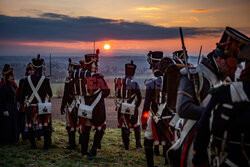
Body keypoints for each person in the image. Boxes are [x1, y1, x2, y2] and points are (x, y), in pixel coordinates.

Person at [168, 26, 250, 167]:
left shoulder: (226, 81)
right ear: (219, 58)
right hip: (194, 133)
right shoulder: (193, 76)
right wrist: (214, 115)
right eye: (230, 66)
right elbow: (183, 108)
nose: (232, 71)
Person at [192, 44, 250, 166]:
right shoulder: (199, 75)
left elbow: (203, 131)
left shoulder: (224, 92)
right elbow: (183, 109)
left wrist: (197, 161)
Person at [75, 49, 110, 156]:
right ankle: (93, 149)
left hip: (84, 107)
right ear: (93, 64)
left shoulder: (79, 76)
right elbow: (106, 92)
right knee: (101, 127)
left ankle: (84, 150)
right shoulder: (98, 77)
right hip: (97, 110)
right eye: (95, 63)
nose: (96, 65)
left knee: (85, 130)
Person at [141, 51, 172, 167]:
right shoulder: (171, 81)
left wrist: (144, 120)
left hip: (155, 116)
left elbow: (146, 105)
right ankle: (167, 162)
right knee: (169, 139)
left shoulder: (151, 82)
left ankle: (150, 165)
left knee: (147, 140)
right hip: (169, 116)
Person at [20, 54, 53, 149]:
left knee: (31, 125)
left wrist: (22, 103)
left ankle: (33, 145)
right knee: (45, 125)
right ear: (42, 67)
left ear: (33, 67)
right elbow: (50, 94)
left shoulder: (27, 79)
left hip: (30, 105)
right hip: (42, 106)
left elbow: (23, 94)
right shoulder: (45, 80)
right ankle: (46, 145)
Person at [114, 60, 142, 150]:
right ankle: (138, 144)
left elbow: (116, 95)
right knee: (136, 126)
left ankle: (126, 146)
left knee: (124, 127)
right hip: (133, 108)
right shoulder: (135, 84)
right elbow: (140, 98)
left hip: (121, 108)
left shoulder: (118, 83)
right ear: (133, 74)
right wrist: (135, 107)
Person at [60, 58, 81, 149]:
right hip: (80, 105)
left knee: (70, 125)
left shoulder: (69, 82)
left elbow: (65, 95)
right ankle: (81, 142)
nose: (68, 73)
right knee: (80, 124)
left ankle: (72, 144)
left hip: (71, 106)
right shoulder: (81, 81)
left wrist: (62, 106)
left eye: (70, 71)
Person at [0, 64, 19, 144]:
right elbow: (2, 99)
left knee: (13, 124)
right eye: (11, 77)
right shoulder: (3, 87)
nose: (13, 78)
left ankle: (13, 139)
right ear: (7, 78)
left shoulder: (13, 86)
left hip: (13, 107)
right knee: (7, 125)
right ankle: (6, 140)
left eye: (13, 76)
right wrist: (4, 110)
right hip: (7, 108)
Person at [18, 63, 34, 141]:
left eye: (32, 70)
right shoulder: (23, 80)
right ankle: (25, 136)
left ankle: (34, 135)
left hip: (33, 102)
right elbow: (21, 92)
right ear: (27, 71)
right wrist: (22, 102)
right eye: (30, 70)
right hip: (26, 102)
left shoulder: (35, 80)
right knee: (25, 120)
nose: (31, 71)